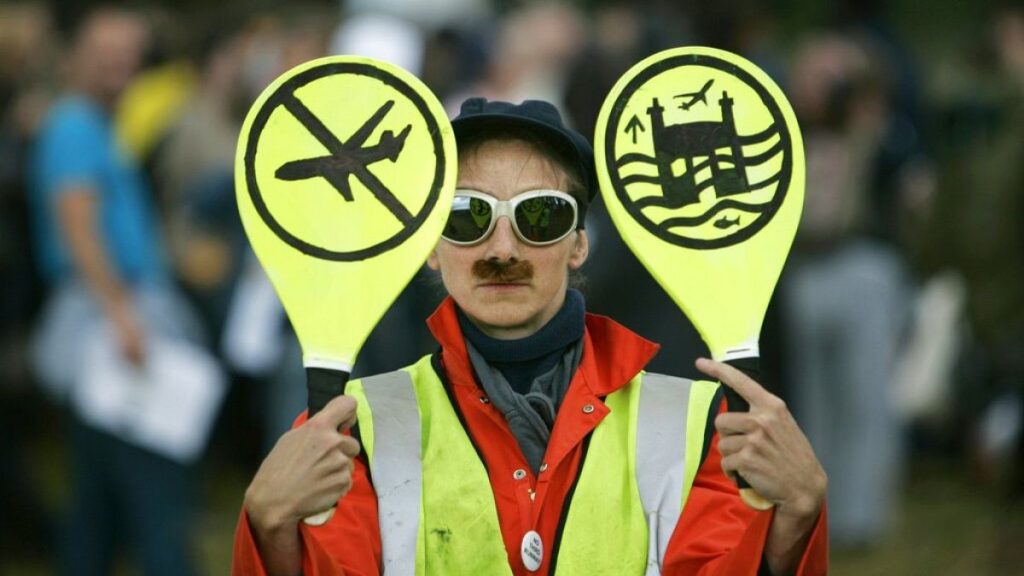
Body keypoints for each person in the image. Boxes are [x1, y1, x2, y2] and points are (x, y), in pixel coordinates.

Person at [233, 98, 828, 575]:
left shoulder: (709, 429)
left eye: (540, 215)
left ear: (579, 244)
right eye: (466, 217)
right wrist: (269, 530)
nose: (502, 249)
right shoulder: (351, 430)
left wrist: (794, 521)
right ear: (431, 248)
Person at [29, 7, 202, 575]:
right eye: (106, 53)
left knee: (98, 500)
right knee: (154, 489)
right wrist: (121, 314)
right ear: (73, 55)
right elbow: (77, 224)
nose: (121, 66)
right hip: (113, 325)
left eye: (131, 54)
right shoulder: (76, 125)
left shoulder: (96, 122)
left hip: (115, 318)